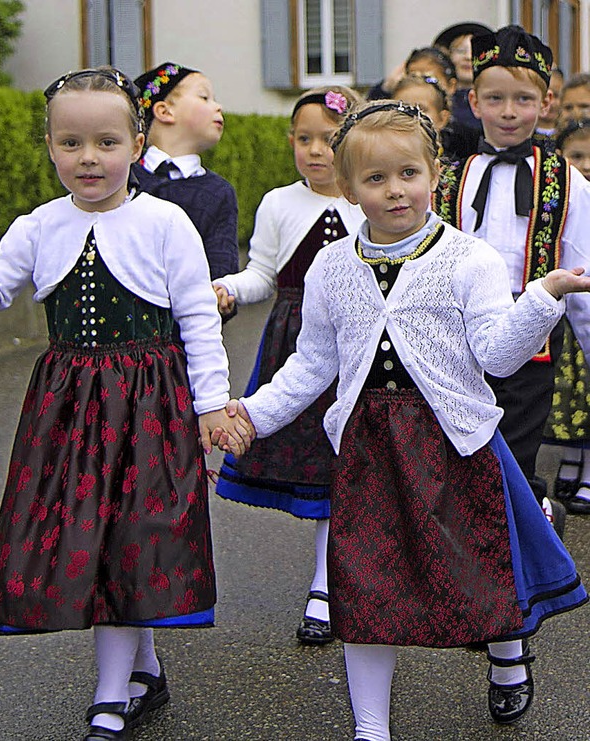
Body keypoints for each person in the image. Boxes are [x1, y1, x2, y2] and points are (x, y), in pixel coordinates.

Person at [221, 100, 588, 740]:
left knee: (477, 564)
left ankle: (506, 658)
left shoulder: (469, 258)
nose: (395, 191)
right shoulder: (333, 266)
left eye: (408, 174)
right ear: (346, 187)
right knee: (362, 581)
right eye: (375, 179)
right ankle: (371, 728)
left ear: (433, 172)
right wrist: (250, 413)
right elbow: (313, 364)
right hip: (368, 446)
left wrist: (542, 296)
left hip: (454, 439)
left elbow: (498, 355)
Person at [0, 67, 252, 741]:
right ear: (51, 145)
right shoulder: (39, 225)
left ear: (137, 142)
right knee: (94, 536)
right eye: (70, 142)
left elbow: (200, 317)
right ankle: (141, 670)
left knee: (137, 534)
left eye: (107, 142)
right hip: (68, 406)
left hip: (150, 401)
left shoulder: (165, 222)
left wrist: (212, 406)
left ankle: (111, 695)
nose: (88, 157)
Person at [212, 85, 364, 645]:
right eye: (305, 138)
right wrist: (227, 288)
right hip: (294, 345)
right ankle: (326, 584)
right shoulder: (278, 203)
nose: (316, 150)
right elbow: (264, 275)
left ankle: (332, 582)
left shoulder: (367, 201)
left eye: (329, 138)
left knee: (349, 459)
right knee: (321, 466)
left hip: (357, 344)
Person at [433, 26, 590, 537]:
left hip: (533, 338)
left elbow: (581, 264)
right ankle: (472, 540)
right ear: (473, 101)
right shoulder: (449, 175)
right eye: (495, 98)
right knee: (459, 437)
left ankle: (519, 539)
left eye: (522, 99)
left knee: (520, 442)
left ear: (545, 102)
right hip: (457, 335)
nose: (507, 111)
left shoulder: (567, 179)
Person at [131, 62, 239, 292]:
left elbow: (221, 269)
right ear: (164, 111)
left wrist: (222, 293)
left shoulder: (218, 192)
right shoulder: (124, 179)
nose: (218, 106)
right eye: (204, 97)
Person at [543, 116, 590, 515]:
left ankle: (588, 467)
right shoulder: (557, 197)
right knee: (571, 395)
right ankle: (572, 458)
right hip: (566, 314)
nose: (586, 164)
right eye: (576, 155)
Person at [433, 21, 492, 132]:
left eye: (475, 51)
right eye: (461, 51)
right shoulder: (438, 98)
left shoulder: (494, 98)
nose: (468, 57)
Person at [533, 67, 564, 154]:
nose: (551, 102)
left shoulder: (568, 135)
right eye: (545, 95)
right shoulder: (522, 136)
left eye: (557, 95)